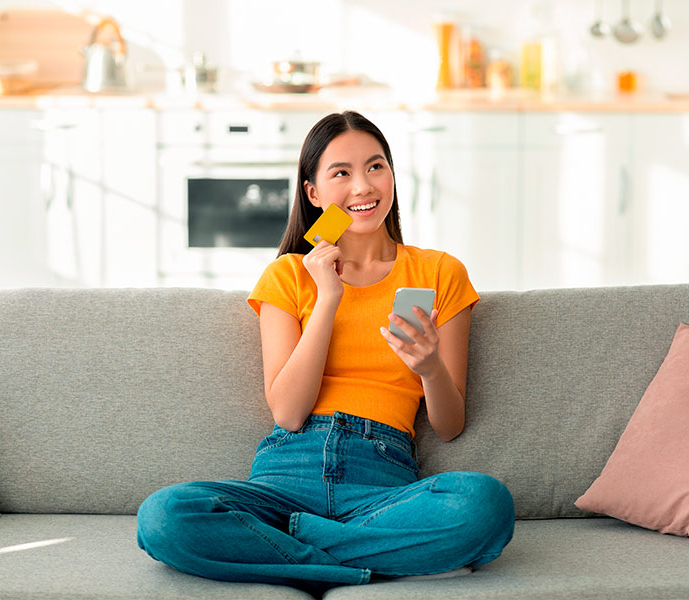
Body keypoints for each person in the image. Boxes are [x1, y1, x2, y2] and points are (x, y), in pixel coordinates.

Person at [136, 111, 514, 593]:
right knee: (165, 517)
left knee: (483, 504)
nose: (363, 187)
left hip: (381, 483)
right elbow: (289, 413)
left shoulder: (440, 272)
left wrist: (429, 367)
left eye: (376, 167)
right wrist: (328, 297)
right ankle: (383, 560)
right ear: (314, 194)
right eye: (341, 173)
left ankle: (294, 550)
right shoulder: (288, 276)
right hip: (283, 477)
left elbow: (449, 424)